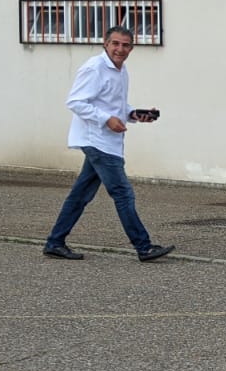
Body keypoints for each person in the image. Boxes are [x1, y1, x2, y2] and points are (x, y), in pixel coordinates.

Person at [43, 24, 174, 262]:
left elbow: (115, 106)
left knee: (80, 194)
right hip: (97, 141)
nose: (120, 49)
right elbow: (75, 102)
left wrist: (134, 114)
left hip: (107, 141)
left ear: (131, 49)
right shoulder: (94, 68)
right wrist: (106, 120)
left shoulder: (121, 71)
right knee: (123, 192)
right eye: (115, 43)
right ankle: (143, 247)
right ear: (105, 43)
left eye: (125, 45)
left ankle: (55, 242)